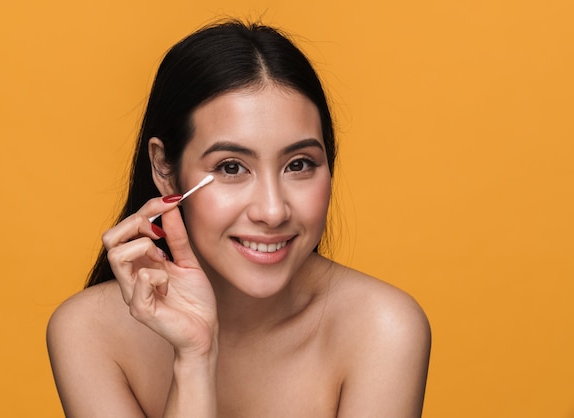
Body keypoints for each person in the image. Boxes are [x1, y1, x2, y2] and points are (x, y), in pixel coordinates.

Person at [47, 19, 431, 418]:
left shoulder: (383, 328)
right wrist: (195, 359)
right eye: (231, 168)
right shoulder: (88, 332)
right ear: (164, 167)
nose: (272, 211)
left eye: (299, 164)